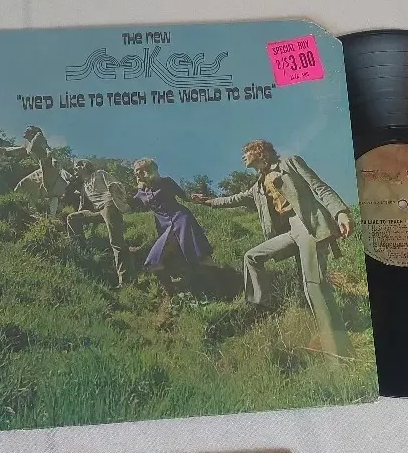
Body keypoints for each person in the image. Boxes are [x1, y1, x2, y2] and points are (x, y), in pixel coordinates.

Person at [192, 139, 355, 359]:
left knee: (314, 288)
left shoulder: (289, 163)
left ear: (260, 152)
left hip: (308, 225)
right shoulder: (258, 186)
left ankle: (336, 354)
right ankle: (260, 304)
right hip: (290, 232)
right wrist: (208, 201)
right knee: (252, 257)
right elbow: (234, 199)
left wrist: (340, 212)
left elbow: (318, 186)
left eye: (247, 152)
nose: (243, 156)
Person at [132, 158, 214, 272]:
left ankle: (217, 274)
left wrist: (194, 197)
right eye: (135, 172)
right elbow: (127, 207)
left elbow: (184, 195)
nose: (136, 174)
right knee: (153, 263)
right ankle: (176, 281)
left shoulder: (166, 182)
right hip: (164, 226)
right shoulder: (140, 193)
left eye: (139, 171)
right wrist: (116, 196)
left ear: (149, 171)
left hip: (181, 219)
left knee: (199, 254)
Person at [66, 159, 134, 288]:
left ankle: (126, 280)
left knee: (116, 242)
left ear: (84, 166)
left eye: (77, 167)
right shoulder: (83, 186)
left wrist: (115, 191)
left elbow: (116, 184)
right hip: (97, 211)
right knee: (72, 218)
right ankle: (81, 251)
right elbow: (82, 207)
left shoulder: (100, 173)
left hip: (109, 205)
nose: (75, 170)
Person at [7, 125, 74, 217]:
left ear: (31, 133)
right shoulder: (27, 145)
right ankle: (34, 212)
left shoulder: (38, 137)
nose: (24, 131)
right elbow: (14, 149)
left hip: (49, 164)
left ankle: (52, 216)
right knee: (23, 185)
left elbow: (47, 148)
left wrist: (53, 160)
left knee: (51, 190)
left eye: (27, 130)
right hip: (42, 167)